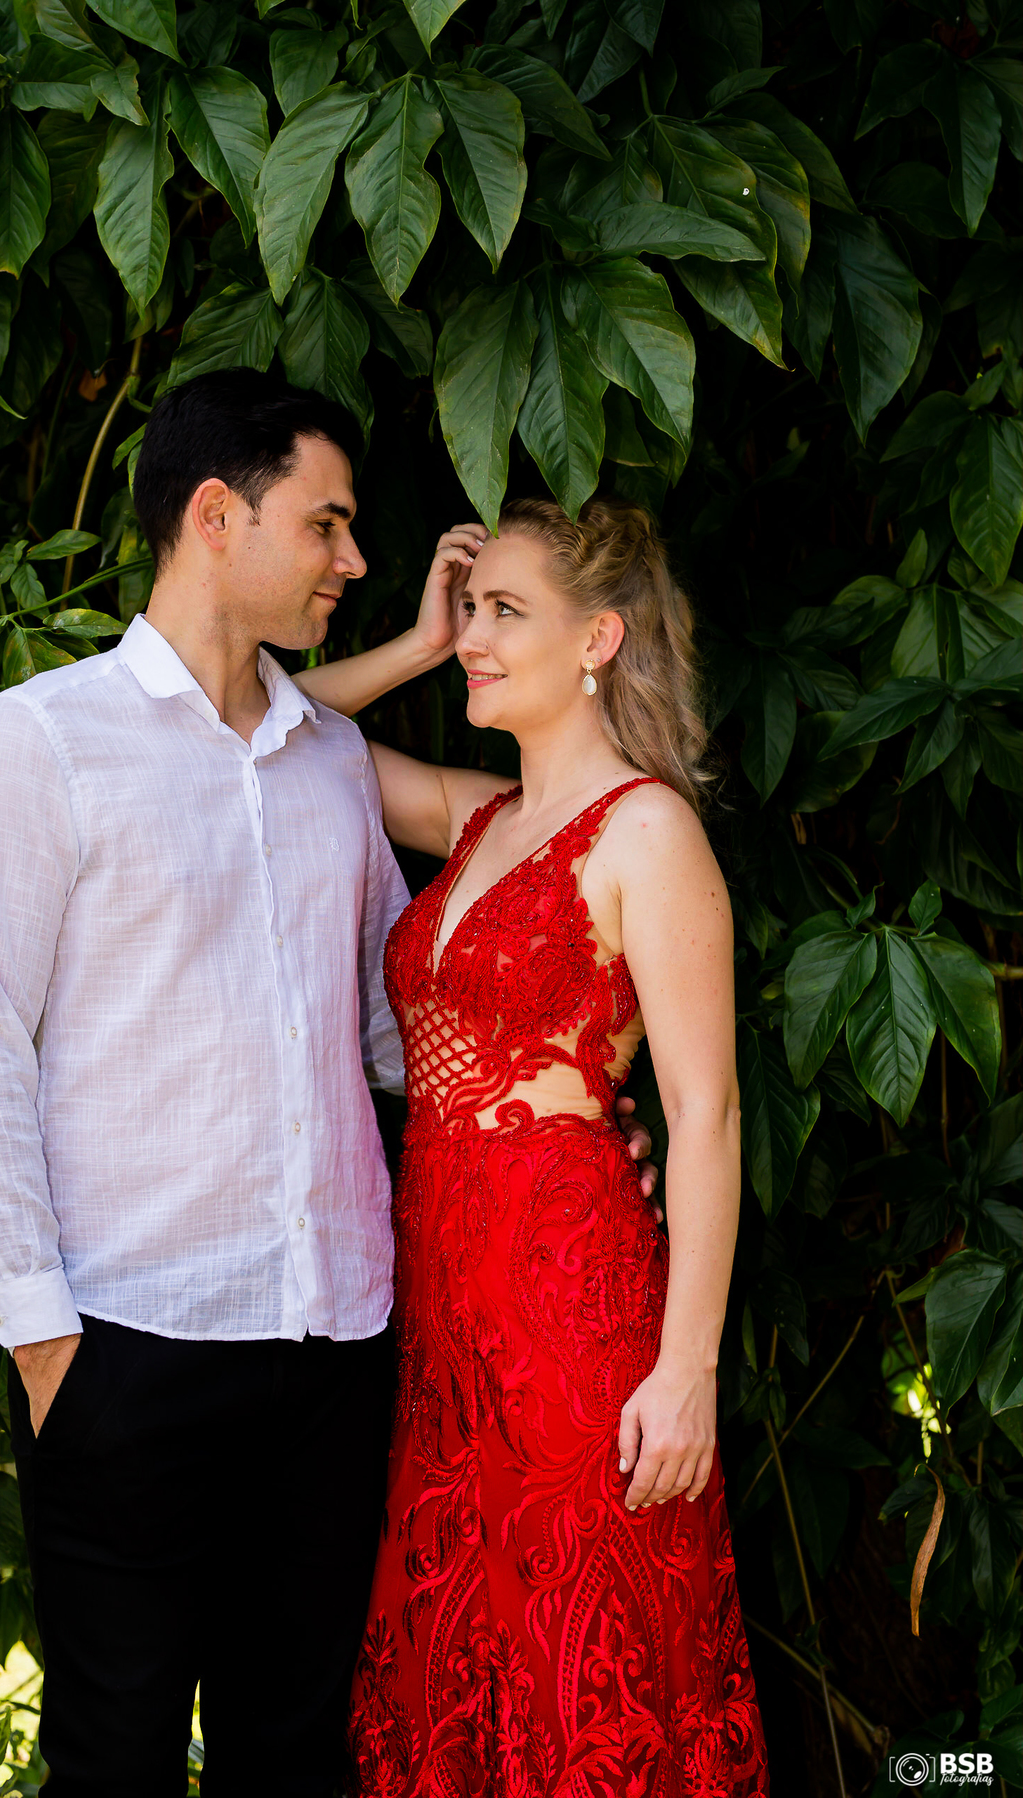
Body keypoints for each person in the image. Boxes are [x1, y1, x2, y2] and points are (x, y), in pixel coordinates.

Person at [0, 371, 657, 1798]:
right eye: (326, 525)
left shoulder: (328, 770)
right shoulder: (42, 742)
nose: (355, 560)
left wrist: (555, 1110)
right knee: (115, 1765)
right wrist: (44, 1339)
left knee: (299, 1760)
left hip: (334, 1351)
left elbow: (377, 1028)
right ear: (215, 516)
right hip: (127, 1344)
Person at [295, 497, 771, 1795]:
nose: (474, 639)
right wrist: (413, 641)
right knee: (461, 1668)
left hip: (574, 1327)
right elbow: (271, 727)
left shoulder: (648, 832)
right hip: (442, 1329)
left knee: (580, 1675)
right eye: (471, 610)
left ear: (598, 638)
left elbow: (708, 1113)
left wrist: (686, 1369)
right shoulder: (479, 816)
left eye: (505, 611)